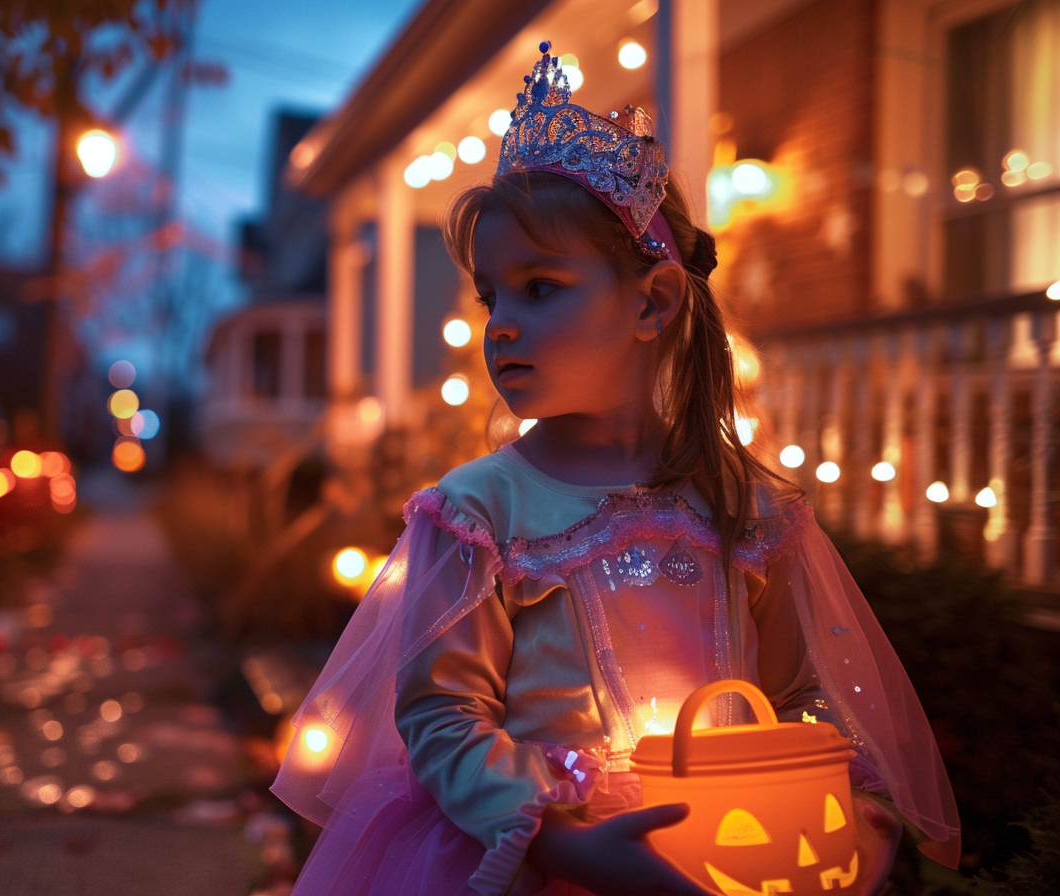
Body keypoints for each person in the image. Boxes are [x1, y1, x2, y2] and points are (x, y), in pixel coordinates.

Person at [272, 43, 960, 896]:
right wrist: (559, 842)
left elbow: (801, 693)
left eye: (541, 287)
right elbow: (444, 716)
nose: (502, 325)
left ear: (653, 302)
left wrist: (842, 800)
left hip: (728, 860)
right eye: (493, 296)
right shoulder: (480, 513)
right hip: (542, 859)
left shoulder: (746, 509)